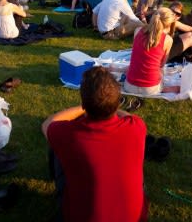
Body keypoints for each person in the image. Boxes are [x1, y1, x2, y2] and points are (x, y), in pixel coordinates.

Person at [42, 66, 148, 222]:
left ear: (85, 104)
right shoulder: (137, 126)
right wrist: (110, 105)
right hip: (135, 218)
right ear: (118, 102)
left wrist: (84, 106)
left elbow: (48, 124)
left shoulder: (68, 134)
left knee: (57, 149)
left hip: (79, 216)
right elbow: (128, 116)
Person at [124, 8, 175, 95]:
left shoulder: (137, 31)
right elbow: (161, 65)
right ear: (169, 25)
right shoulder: (168, 40)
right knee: (161, 72)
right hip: (151, 89)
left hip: (129, 86)